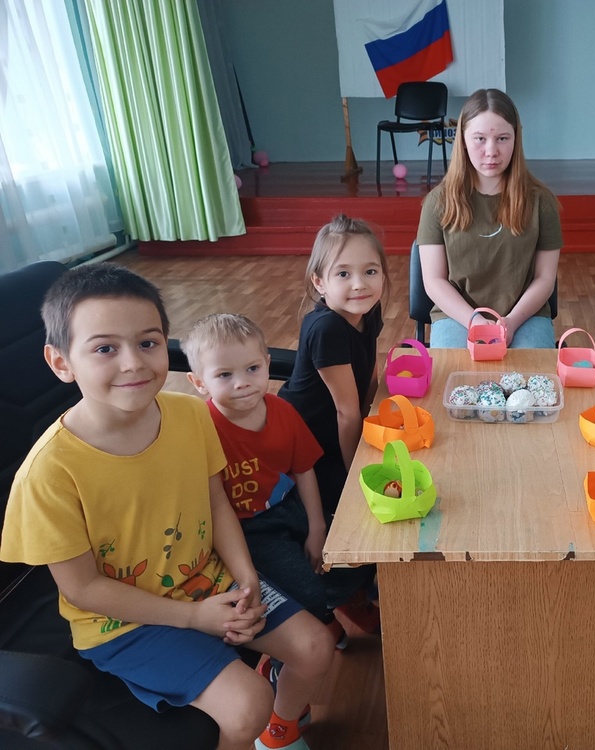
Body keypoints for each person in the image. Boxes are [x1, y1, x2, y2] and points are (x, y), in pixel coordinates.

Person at [0, 263, 335, 750]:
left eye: (148, 342)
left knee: (316, 647)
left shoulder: (190, 415)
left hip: (206, 580)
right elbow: (84, 589)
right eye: (105, 348)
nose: (133, 363)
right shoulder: (48, 473)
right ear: (61, 362)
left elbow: (215, 501)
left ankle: (279, 734)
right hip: (122, 621)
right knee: (247, 704)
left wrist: (245, 578)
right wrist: (195, 618)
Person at [182, 313, 374, 632]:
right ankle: (321, 618)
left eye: (252, 368)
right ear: (199, 382)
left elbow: (304, 469)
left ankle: (338, 601)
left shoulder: (283, 410)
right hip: (247, 528)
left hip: (291, 506)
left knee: (357, 555)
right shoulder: (201, 428)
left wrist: (316, 527)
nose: (242, 382)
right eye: (225, 374)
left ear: (267, 364)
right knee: (305, 589)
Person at [416, 87, 562, 349]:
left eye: (502, 138)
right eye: (480, 139)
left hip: (525, 316)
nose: (491, 150)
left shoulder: (542, 202)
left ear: (516, 139)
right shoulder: (437, 203)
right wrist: (475, 320)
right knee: (453, 373)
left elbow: (545, 278)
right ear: (462, 140)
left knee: (531, 374)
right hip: (457, 316)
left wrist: (512, 321)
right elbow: (434, 281)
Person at [278, 214, 387, 518]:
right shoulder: (328, 329)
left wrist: (374, 420)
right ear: (319, 282)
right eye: (343, 274)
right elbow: (347, 413)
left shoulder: (367, 308)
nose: (359, 284)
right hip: (308, 446)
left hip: (340, 432)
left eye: (370, 271)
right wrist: (356, 475)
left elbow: (370, 372)